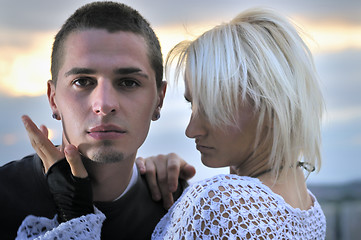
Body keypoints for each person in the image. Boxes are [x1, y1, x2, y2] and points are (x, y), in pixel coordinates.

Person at [19, 6, 328, 240]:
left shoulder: (218, 202)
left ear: (268, 105)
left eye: (213, 108)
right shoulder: (311, 210)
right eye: (193, 105)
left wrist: (77, 217)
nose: (191, 130)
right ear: (52, 96)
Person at [0, 2, 195, 240]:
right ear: (53, 99)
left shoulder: (185, 211)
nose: (103, 104)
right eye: (82, 81)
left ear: (159, 99)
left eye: (128, 82)